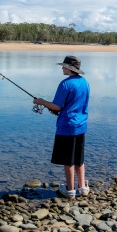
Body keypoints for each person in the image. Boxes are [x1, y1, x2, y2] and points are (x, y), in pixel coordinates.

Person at [33, 56, 90, 199]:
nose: (62, 68)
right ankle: (82, 188)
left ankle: (70, 190)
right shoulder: (85, 82)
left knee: (68, 160)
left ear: (70, 68)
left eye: (64, 66)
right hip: (81, 125)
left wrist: (41, 101)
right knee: (79, 158)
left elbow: (57, 106)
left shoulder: (65, 84)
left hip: (67, 127)